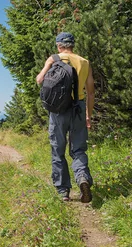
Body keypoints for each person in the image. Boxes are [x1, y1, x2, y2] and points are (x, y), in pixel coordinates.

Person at [36, 32, 95, 203]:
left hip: (58, 111)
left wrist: (49, 67)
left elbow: (40, 79)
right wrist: (88, 116)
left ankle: (63, 192)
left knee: (58, 150)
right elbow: (90, 92)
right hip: (78, 107)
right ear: (72, 45)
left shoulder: (53, 58)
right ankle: (82, 178)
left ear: (59, 45)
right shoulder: (84, 62)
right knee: (78, 150)